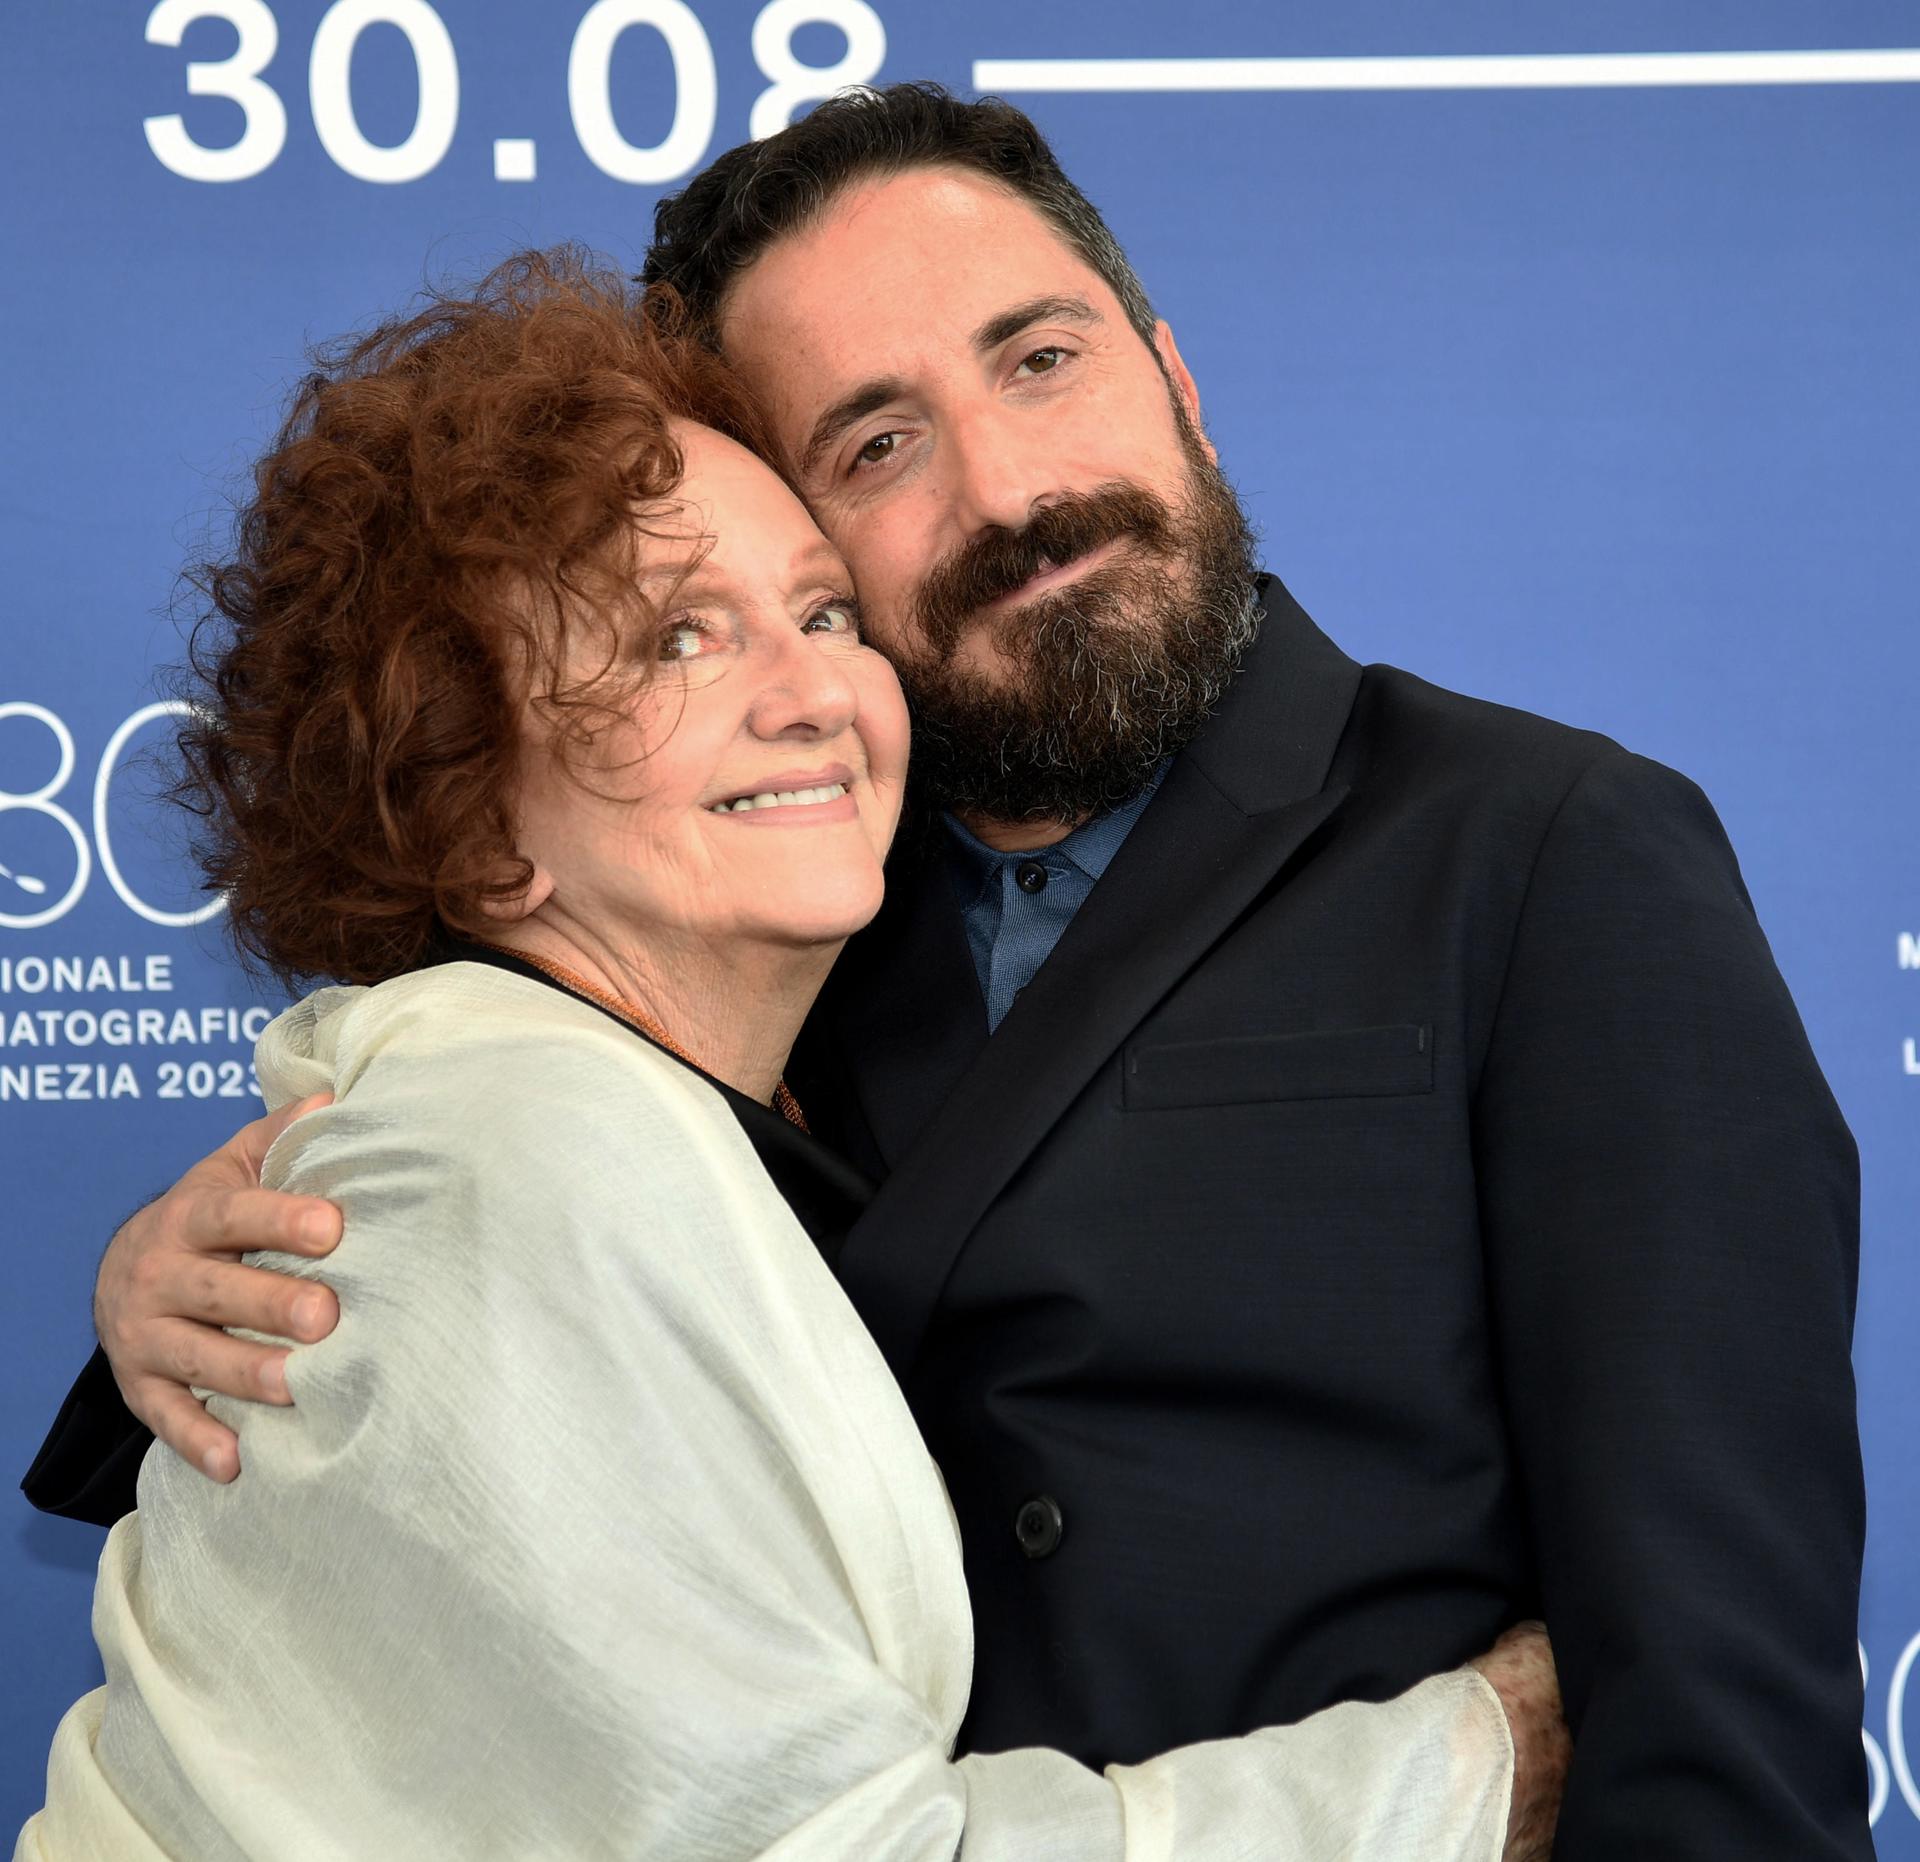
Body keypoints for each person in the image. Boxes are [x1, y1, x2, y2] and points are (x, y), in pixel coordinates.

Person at [29, 82, 1868, 1857]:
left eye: (1042, 356)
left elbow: (1722, 1710)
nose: (1010, 485)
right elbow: (491, 1346)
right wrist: (171, 1308)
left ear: (1183, 385)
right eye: (877, 443)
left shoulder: (1544, 850)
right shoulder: (766, 886)